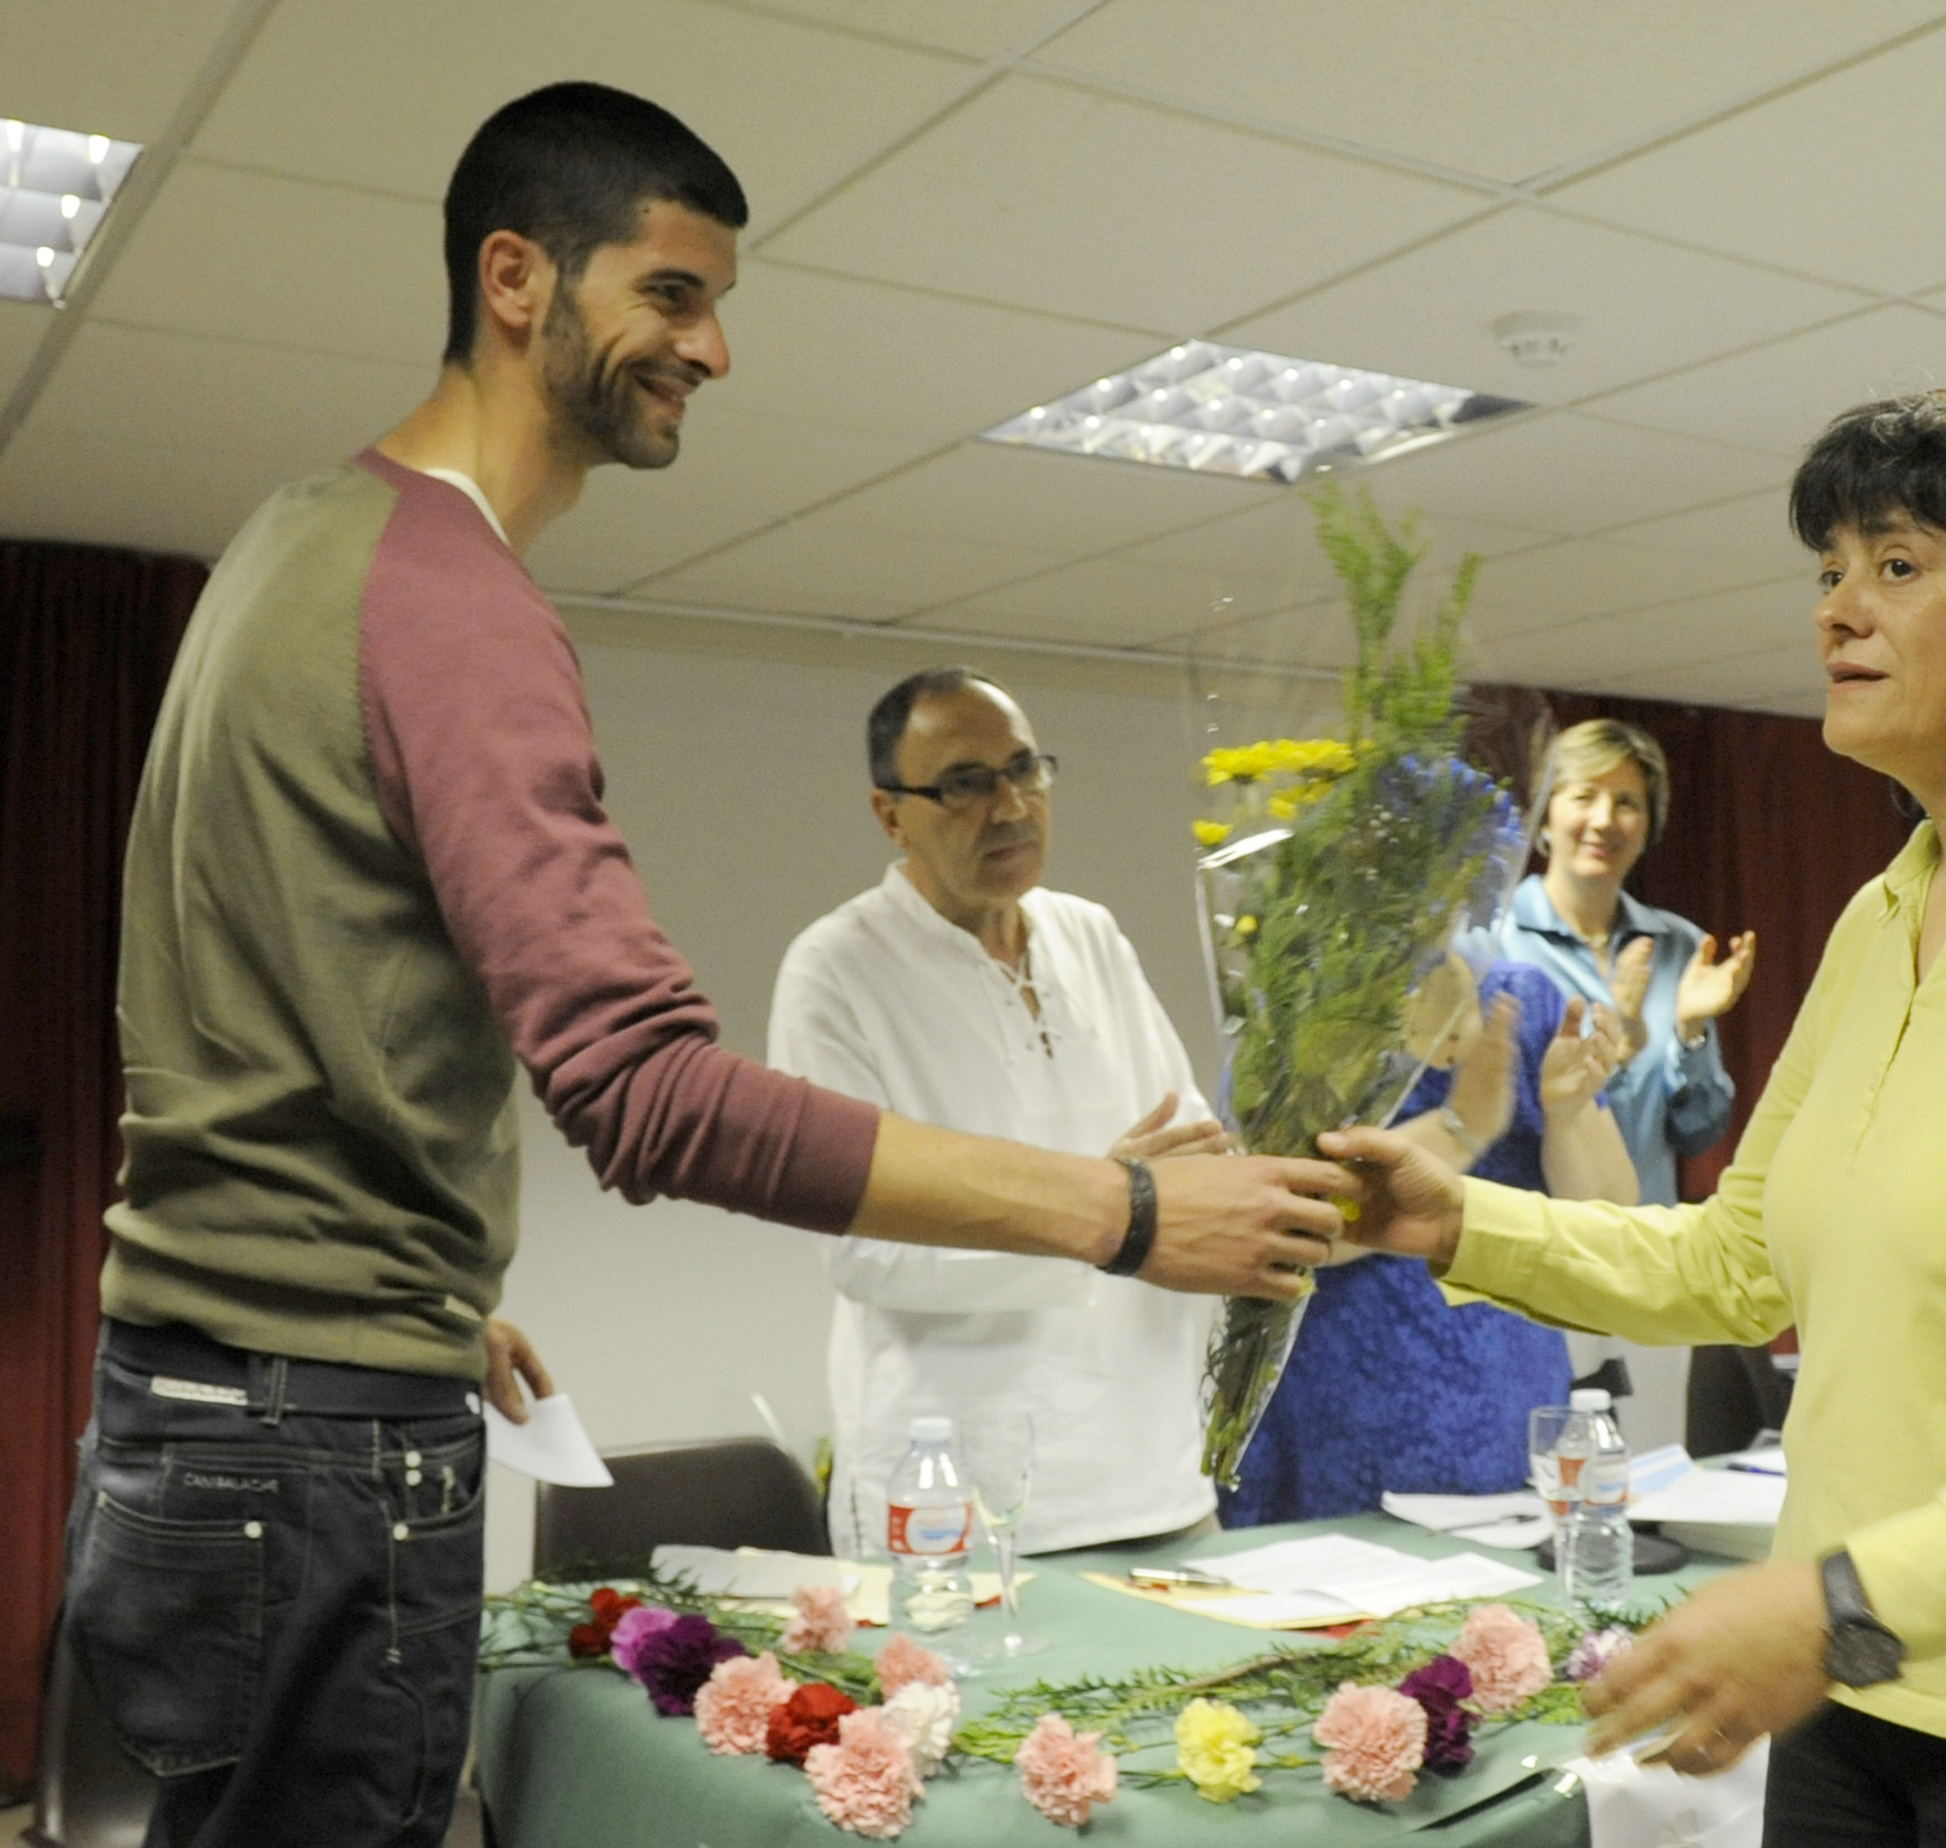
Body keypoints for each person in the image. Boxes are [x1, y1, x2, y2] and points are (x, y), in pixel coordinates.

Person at [64, 85, 1343, 1848]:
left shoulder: (297, 536)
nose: (713, 347)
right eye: (669, 294)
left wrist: (404, 1274)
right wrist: (1115, 1209)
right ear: (517, 279)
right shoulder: (456, 604)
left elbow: (252, 1013)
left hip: (207, 1389)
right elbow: (646, 1095)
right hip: (313, 1447)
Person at [1326, 380, 1946, 1845]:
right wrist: (1455, 1220)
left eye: (1898, 566)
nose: (1836, 614)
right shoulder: (1888, 912)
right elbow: (1742, 1263)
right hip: (1858, 1700)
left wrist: (1849, 1607)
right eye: (1827, 572)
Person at [770, 668, 1252, 1557]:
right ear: (891, 814)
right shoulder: (836, 970)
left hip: (1159, 1480)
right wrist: (1109, 1207)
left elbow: (1192, 1162)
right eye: (965, 783)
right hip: (965, 1504)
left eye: (1025, 770)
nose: (1010, 806)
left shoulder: (1091, 935)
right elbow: (863, 1248)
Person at [1219, 959, 1635, 1525]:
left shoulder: (1523, 997)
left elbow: (1609, 1221)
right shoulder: (1302, 1010)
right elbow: (1286, 1220)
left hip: (1514, 1397)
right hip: (1339, 1404)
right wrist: (1462, 1127)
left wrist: (1565, 1117)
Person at [1494, 718, 1752, 1207]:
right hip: (1536, 1239)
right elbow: (1490, 1118)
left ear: (1649, 823)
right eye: (1584, 796)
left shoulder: (1680, 946)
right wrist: (1617, 1042)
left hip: (1644, 1243)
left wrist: (1691, 1031)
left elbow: (1699, 1134)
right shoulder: (1494, 942)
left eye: (1627, 802)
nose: (1605, 820)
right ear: (1545, 813)